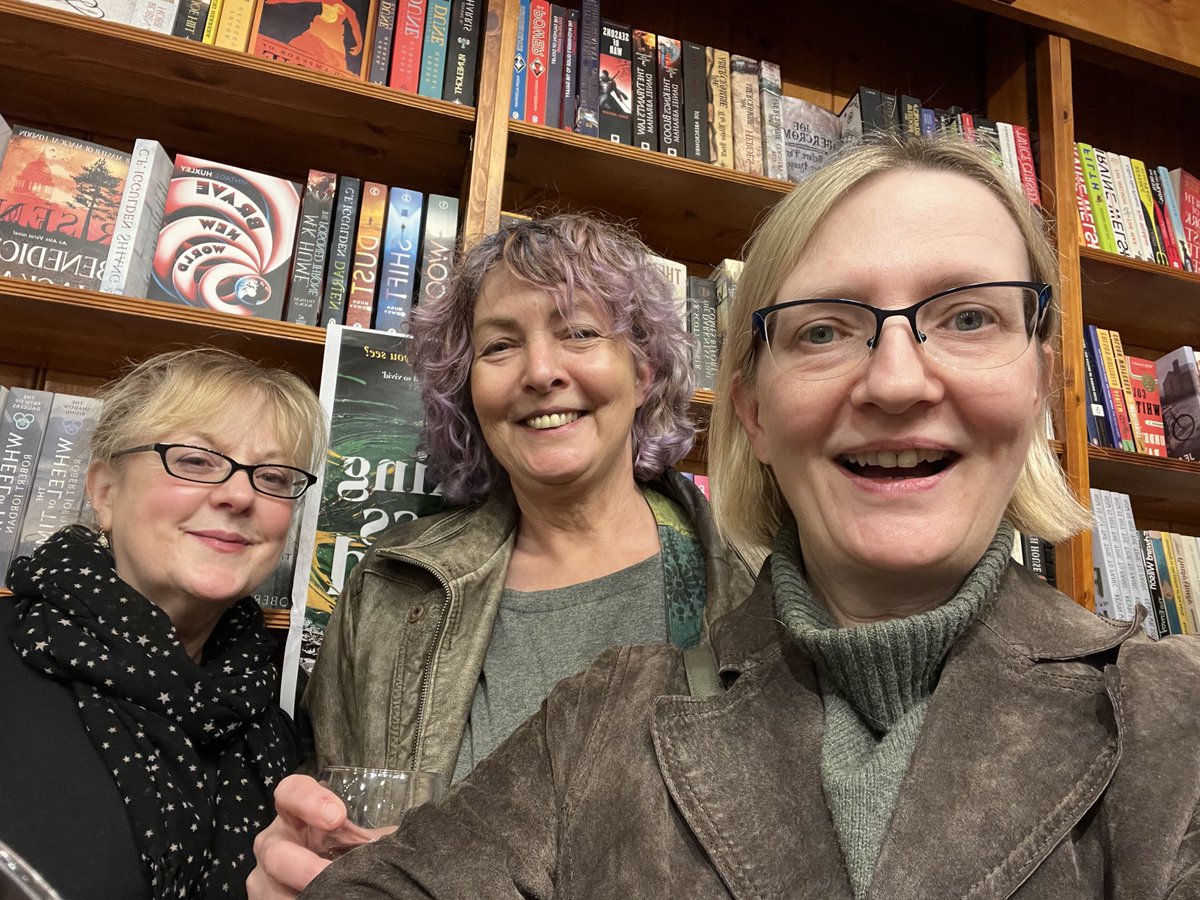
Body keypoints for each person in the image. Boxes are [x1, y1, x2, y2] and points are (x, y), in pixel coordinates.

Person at [285, 135, 1200, 898]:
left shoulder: (1175, 716)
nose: (895, 379)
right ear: (752, 411)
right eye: (824, 329)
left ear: (1044, 385)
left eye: (968, 317)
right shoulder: (594, 709)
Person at [247, 214, 755, 897]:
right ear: (467, 392)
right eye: (499, 347)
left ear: (643, 369)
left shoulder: (753, 587)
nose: (541, 372)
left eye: (578, 332)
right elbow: (334, 818)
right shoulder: (391, 589)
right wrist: (301, 861)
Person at [0, 349, 326, 900]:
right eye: (196, 460)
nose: (240, 495)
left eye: (271, 476)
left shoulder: (273, 727)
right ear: (104, 492)